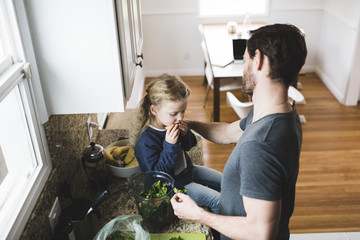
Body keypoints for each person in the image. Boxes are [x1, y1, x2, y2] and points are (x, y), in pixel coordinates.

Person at [171, 23, 307, 240]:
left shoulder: (261, 144)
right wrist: (189, 123)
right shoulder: (279, 114)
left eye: (245, 60)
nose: (244, 68)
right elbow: (226, 132)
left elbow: (261, 233)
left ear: (259, 60)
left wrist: (197, 214)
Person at [130, 73, 222, 213]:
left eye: (183, 111)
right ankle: (220, 233)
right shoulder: (146, 141)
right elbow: (155, 179)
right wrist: (170, 145)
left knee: (226, 181)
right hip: (174, 187)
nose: (180, 118)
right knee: (218, 201)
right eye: (174, 114)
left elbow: (189, 145)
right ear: (154, 110)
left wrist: (185, 135)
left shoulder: (171, 123)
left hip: (187, 172)